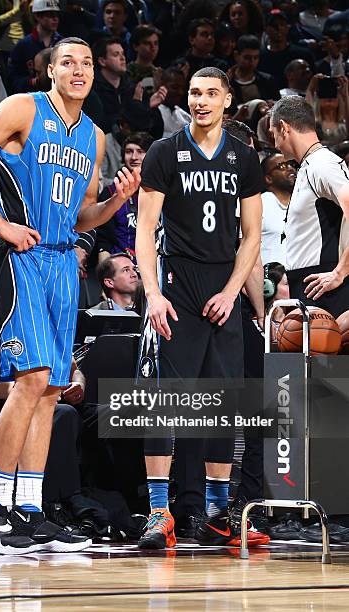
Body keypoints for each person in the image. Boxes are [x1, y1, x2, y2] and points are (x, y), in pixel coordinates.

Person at [0, 36, 140, 554]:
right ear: (49, 70)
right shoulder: (21, 108)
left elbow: (83, 217)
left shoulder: (95, 138)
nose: (80, 70)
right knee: (29, 379)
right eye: (68, 62)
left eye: (87, 63)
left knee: (52, 387)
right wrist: (0, 224)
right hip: (19, 255)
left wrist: (118, 200)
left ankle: (29, 512)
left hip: (61, 261)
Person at [135, 67, 266, 549]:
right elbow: (144, 231)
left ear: (229, 100)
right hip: (177, 281)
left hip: (222, 284)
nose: (201, 100)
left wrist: (233, 291)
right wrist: (153, 294)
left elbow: (252, 235)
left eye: (212, 93)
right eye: (194, 93)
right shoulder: (164, 152)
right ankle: (157, 512)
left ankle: (216, 512)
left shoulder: (244, 157)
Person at [0, 308, 86, 505]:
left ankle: (131, 507)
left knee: (117, 416)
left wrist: (79, 384)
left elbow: (75, 370)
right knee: (63, 415)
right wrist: (24, 392)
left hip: (60, 397)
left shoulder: (47, 315)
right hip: (11, 404)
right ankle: (62, 504)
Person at [269, 95, 349, 319]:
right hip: (310, 285)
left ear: (284, 128)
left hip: (326, 287)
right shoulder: (310, 166)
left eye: (273, 133)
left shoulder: (322, 164)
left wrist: (341, 272)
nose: (274, 143)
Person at [97, 131, 153, 262]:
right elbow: (103, 240)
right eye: (129, 151)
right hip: (123, 270)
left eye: (140, 151)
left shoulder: (162, 192)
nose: (134, 157)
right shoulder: (110, 193)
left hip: (157, 268)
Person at [7, 0, 62, 94]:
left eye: (57, 15)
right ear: (37, 16)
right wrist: (33, 81)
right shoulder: (23, 46)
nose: (55, 19)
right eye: (50, 15)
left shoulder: (62, 44)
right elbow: (13, 80)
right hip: (32, 98)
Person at [260, 152, 297, 266]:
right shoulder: (260, 203)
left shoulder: (303, 202)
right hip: (269, 279)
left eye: (291, 164)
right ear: (268, 178)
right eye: (282, 166)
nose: (290, 169)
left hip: (300, 277)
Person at [229, 35, 279, 104]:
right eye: (247, 58)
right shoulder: (228, 82)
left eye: (255, 57)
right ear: (236, 55)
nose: (252, 62)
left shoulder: (267, 81)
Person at [305, 74, 349, 146]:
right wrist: (311, 89)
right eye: (325, 94)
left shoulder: (344, 123)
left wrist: (345, 94)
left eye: (333, 93)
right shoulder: (314, 123)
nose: (329, 98)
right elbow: (306, 113)